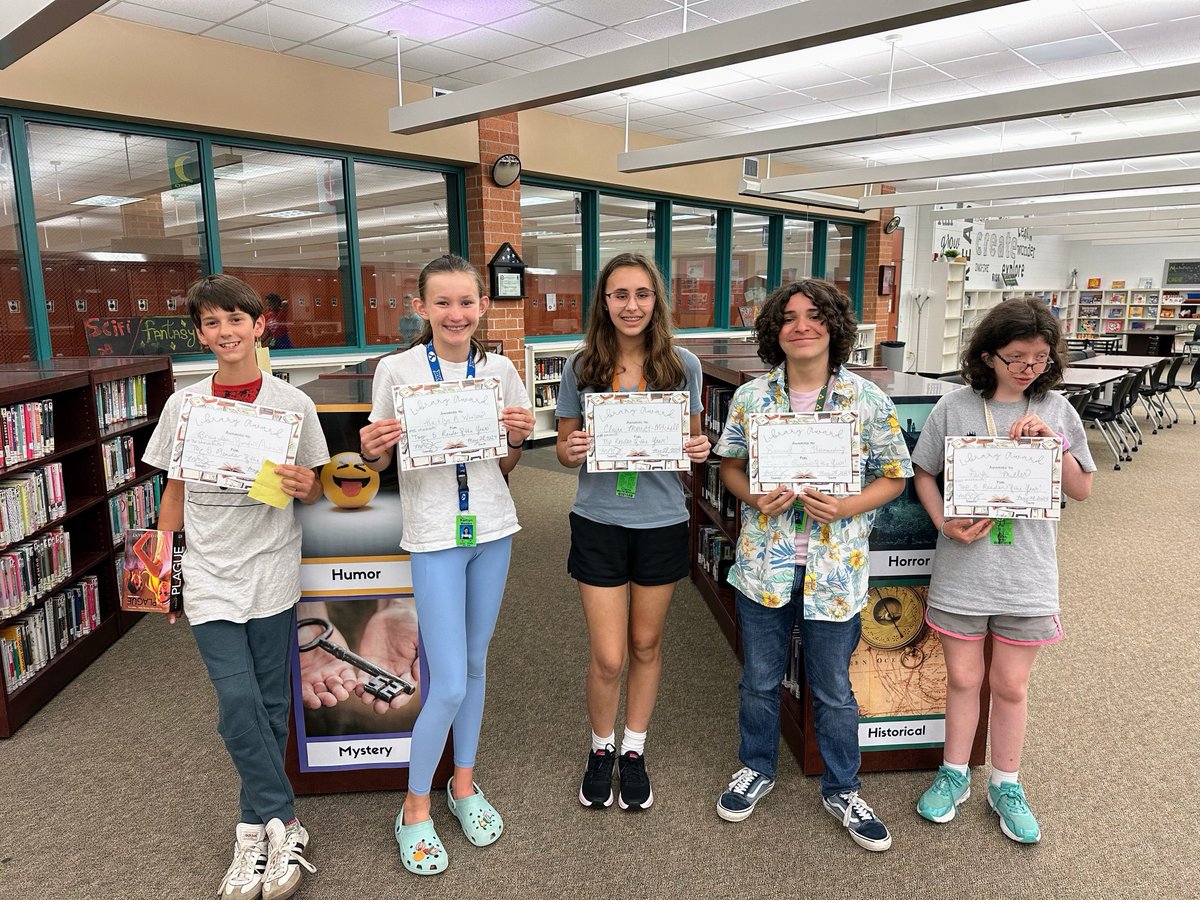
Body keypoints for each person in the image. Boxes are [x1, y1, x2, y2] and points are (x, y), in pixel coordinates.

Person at [142, 274, 329, 900]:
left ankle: (253, 827)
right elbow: (172, 490)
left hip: (272, 568)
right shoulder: (184, 405)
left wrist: (308, 485)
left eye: (235, 321)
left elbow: (319, 485)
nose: (225, 333)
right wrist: (160, 578)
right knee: (236, 704)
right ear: (200, 334)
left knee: (273, 703)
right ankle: (287, 820)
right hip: (208, 573)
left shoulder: (291, 403)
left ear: (258, 326)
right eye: (212, 324)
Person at [712, 278, 912, 852]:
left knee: (831, 689)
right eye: (789, 317)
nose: (802, 326)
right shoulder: (753, 398)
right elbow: (728, 464)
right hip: (764, 567)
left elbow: (894, 475)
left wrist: (847, 505)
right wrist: (751, 497)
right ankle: (756, 767)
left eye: (814, 316)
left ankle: (843, 787)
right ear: (774, 331)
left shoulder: (866, 400)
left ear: (834, 327)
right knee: (758, 680)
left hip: (836, 570)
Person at [358, 253, 534, 876]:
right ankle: (413, 807)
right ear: (422, 308)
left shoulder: (502, 370)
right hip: (434, 534)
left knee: (477, 665)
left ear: (483, 306)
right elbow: (380, 464)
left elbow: (508, 464)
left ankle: (463, 785)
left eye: (467, 303)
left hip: (494, 528)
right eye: (443, 303)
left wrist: (516, 436)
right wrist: (372, 449)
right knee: (449, 680)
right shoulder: (396, 370)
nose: (455, 314)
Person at [911, 298, 1094, 844]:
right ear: (987, 354)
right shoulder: (955, 406)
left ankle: (1006, 782)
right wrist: (944, 522)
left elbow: (1082, 488)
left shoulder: (1057, 409)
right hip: (965, 568)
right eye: (1016, 356)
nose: (1028, 368)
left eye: (1039, 357)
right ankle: (954, 772)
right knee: (963, 678)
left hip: (1028, 573)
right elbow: (924, 472)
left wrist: (1054, 445)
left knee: (1011, 685)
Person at [556, 252, 710, 811]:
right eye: (619, 294)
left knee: (646, 644)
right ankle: (601, 748)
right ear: (604, 302)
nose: (631, 305)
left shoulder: (682, 365)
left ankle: (634, 750)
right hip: (598, 520)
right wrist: (571, 448)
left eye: (642, 294)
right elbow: (564, 448)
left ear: (656, 301)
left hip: (661, 521)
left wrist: (698, 448)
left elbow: (691, 446)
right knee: (609, 655)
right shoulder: (582, 368)